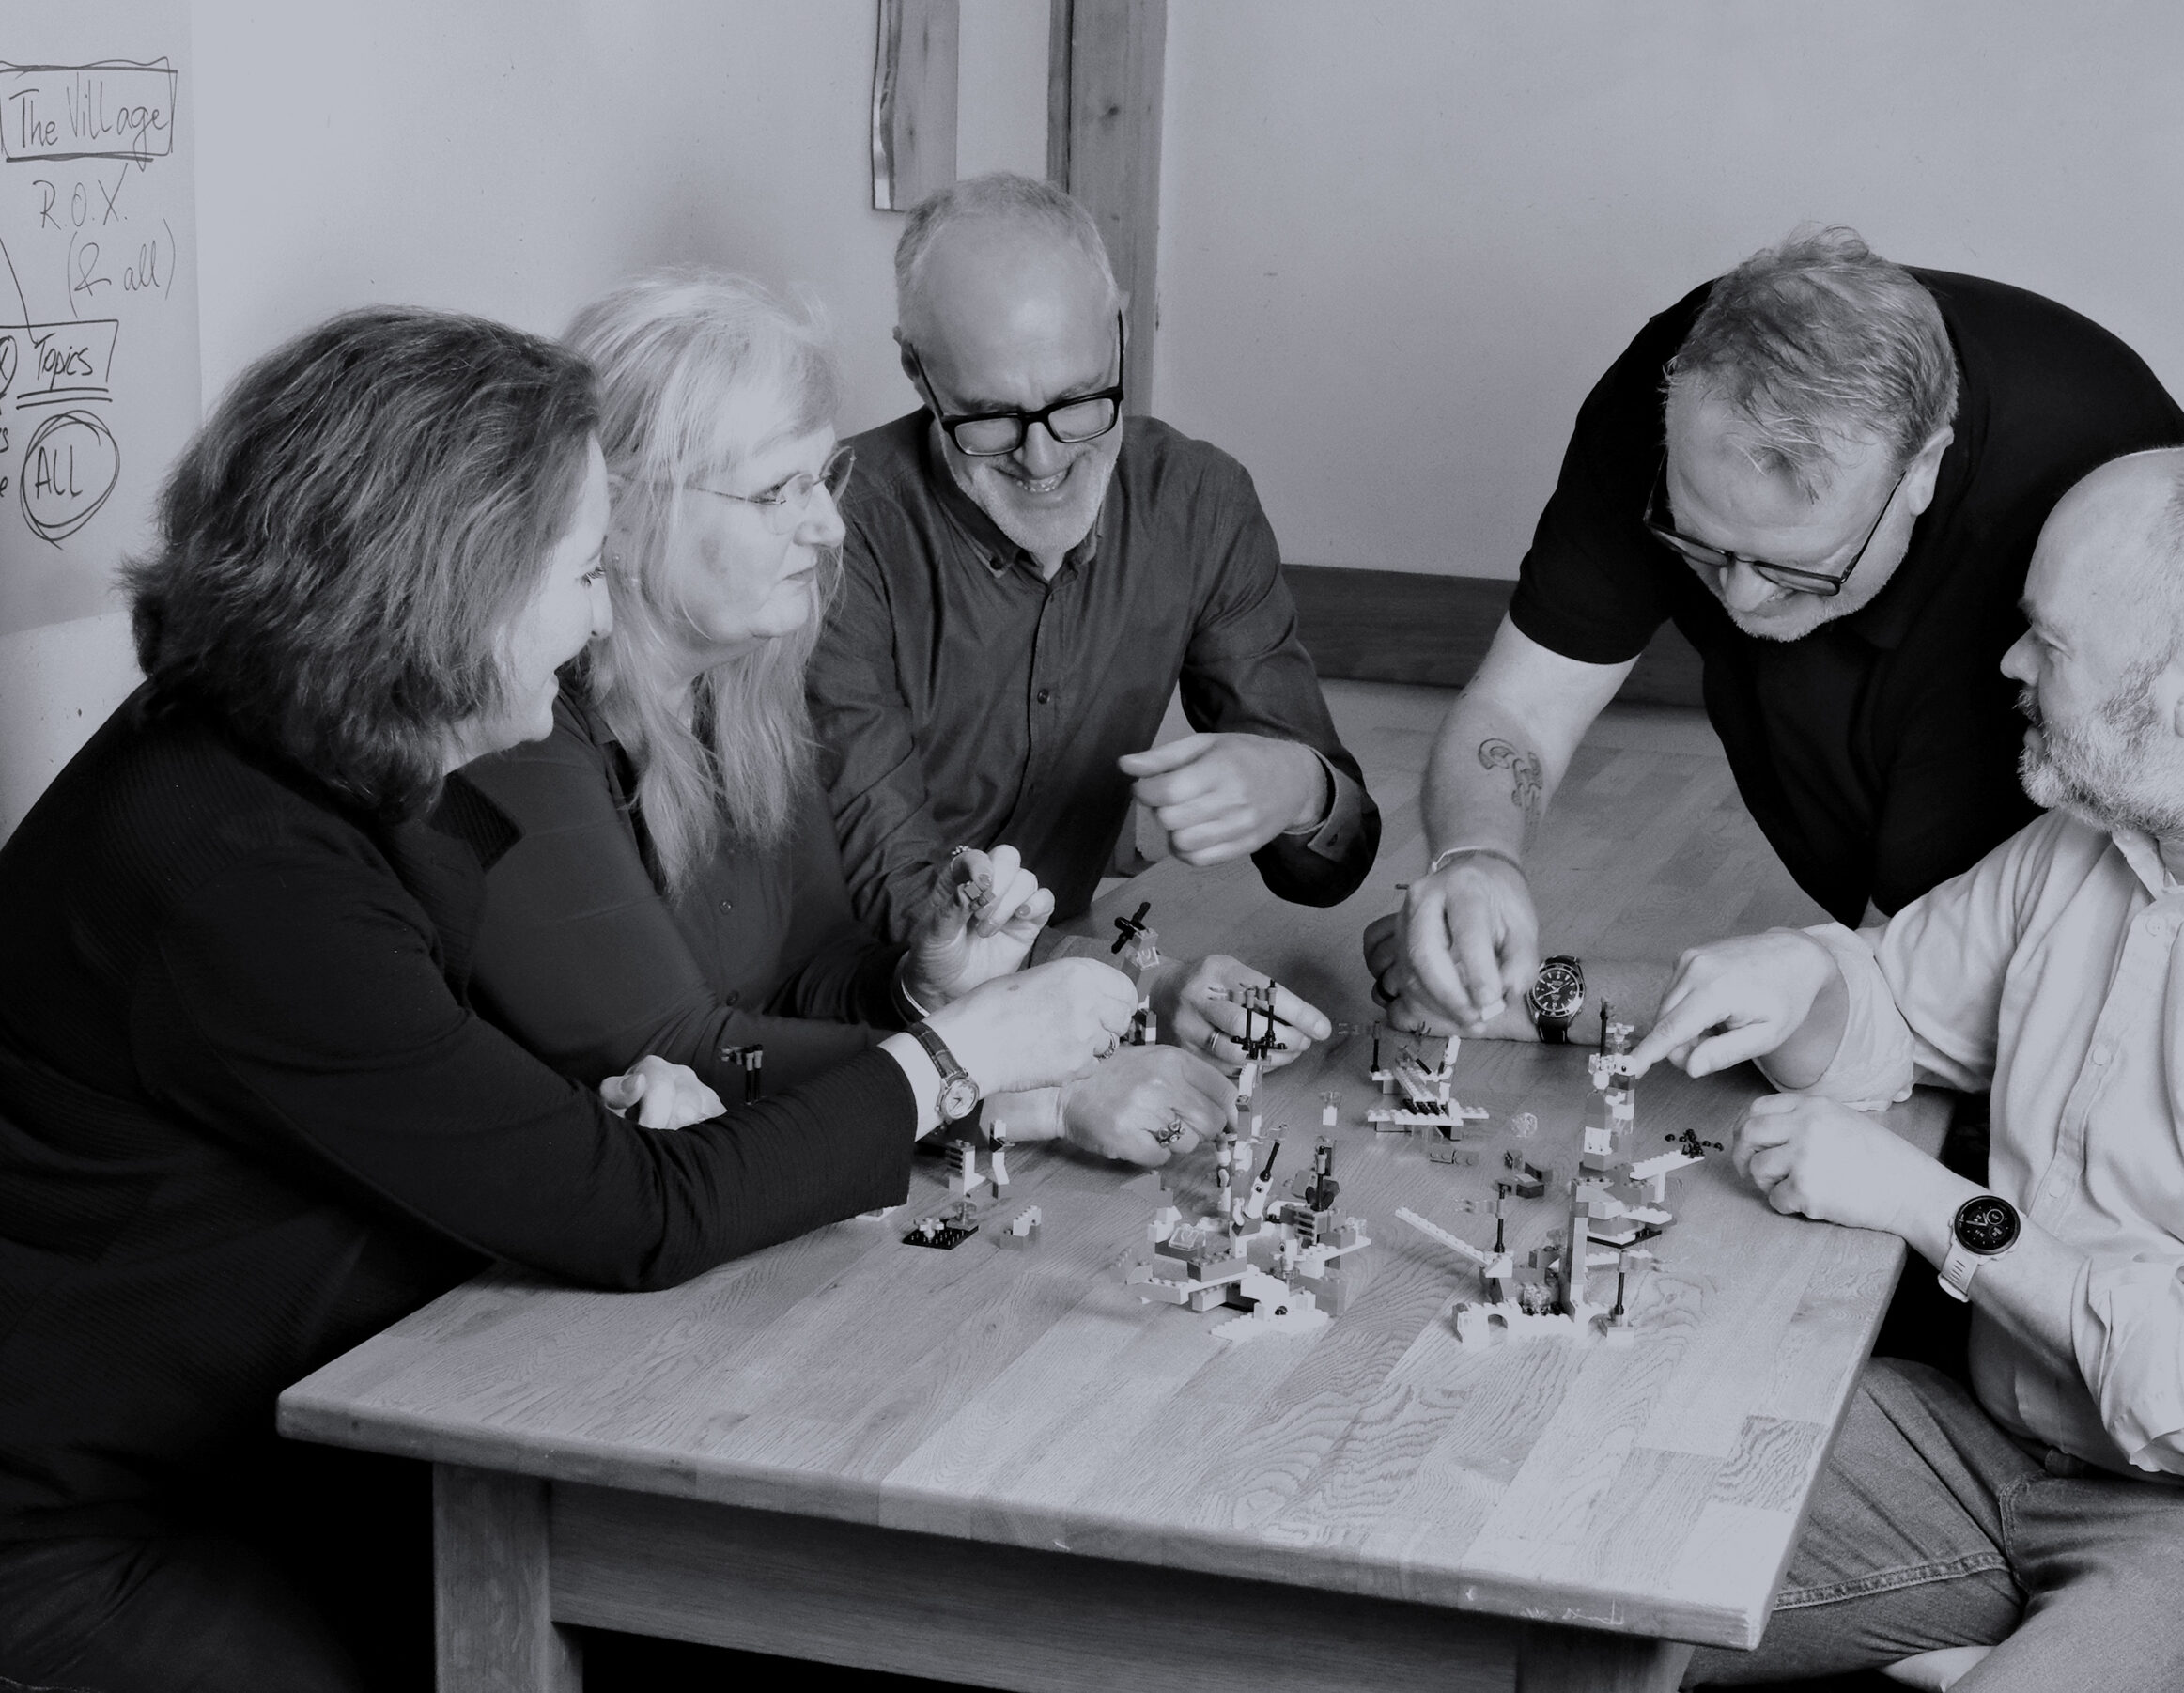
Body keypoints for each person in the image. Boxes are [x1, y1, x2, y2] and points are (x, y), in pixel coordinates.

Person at [0, 307, 1134, 1693]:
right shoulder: (238, 866)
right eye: (586, 572)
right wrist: (953, 1060)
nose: (602, 617)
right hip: (84, 1526)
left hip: (274, 1430)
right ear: (446, 591)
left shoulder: (334, 748)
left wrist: (583, 1107)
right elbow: (634, 1216)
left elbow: (419, 1079)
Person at [1650, 444, 2184, 1691]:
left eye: (2048, 641)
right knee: (1591, 1527)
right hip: (1994, 1444)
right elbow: (1899, 1009)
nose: (2008, 663)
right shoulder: (2093, 839)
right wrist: (1802, 980)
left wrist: (1931, 1205)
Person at [1371, 227, 2184, 1042]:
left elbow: (1890, 999)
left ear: (1921, 471)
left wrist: (1532, 1000)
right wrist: (1476, 855)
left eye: (1793, 566)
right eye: (1700, 543)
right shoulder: (1675, 388)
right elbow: (1522, 703)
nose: (1740, 599)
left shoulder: (2060, 566)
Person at [462, 270, 1232, 1162]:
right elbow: (681, 1052)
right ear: (624, 513)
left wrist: (925, 988)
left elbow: (811, 970)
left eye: (824, 477)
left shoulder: (745, 683)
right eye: (776, 492)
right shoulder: (521, 730)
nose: (829, 526)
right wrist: (1018, 1086)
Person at [813, 171, 1382, 1076]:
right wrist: (1136, 984)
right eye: (991, 419)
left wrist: (1302, 787)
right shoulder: (833, 531)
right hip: (847, 1026)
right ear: (917, 371)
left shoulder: (1197, 502)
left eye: (1080, 400)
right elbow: (891, 895)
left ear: (1118, 332)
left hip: (1058, 1000)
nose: (1044, 459)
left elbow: (1330, 870)